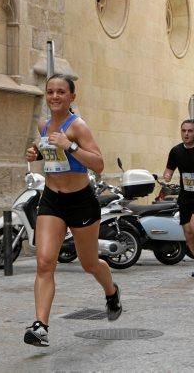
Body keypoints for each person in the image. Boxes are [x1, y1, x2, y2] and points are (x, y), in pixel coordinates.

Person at [23, 74, 122, 347]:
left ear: (71, 97)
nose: (55, 96)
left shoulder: (78, 126)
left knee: (89, 263)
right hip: (52, 199)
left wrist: (71, 145)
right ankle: (40, 326)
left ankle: (111, 292)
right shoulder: (44, 125)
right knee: (44, 262)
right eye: (50, 92)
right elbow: (50, 152)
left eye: (61, 92)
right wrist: (36, 153)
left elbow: (99, 164)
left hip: (80, 201)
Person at [163, 119, 194, 277]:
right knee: (189, 234)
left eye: (190, 131)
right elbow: (168, 170)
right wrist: (167, 176)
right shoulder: (176, 151)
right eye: (184, 131)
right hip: (185, 197)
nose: (186, 134)